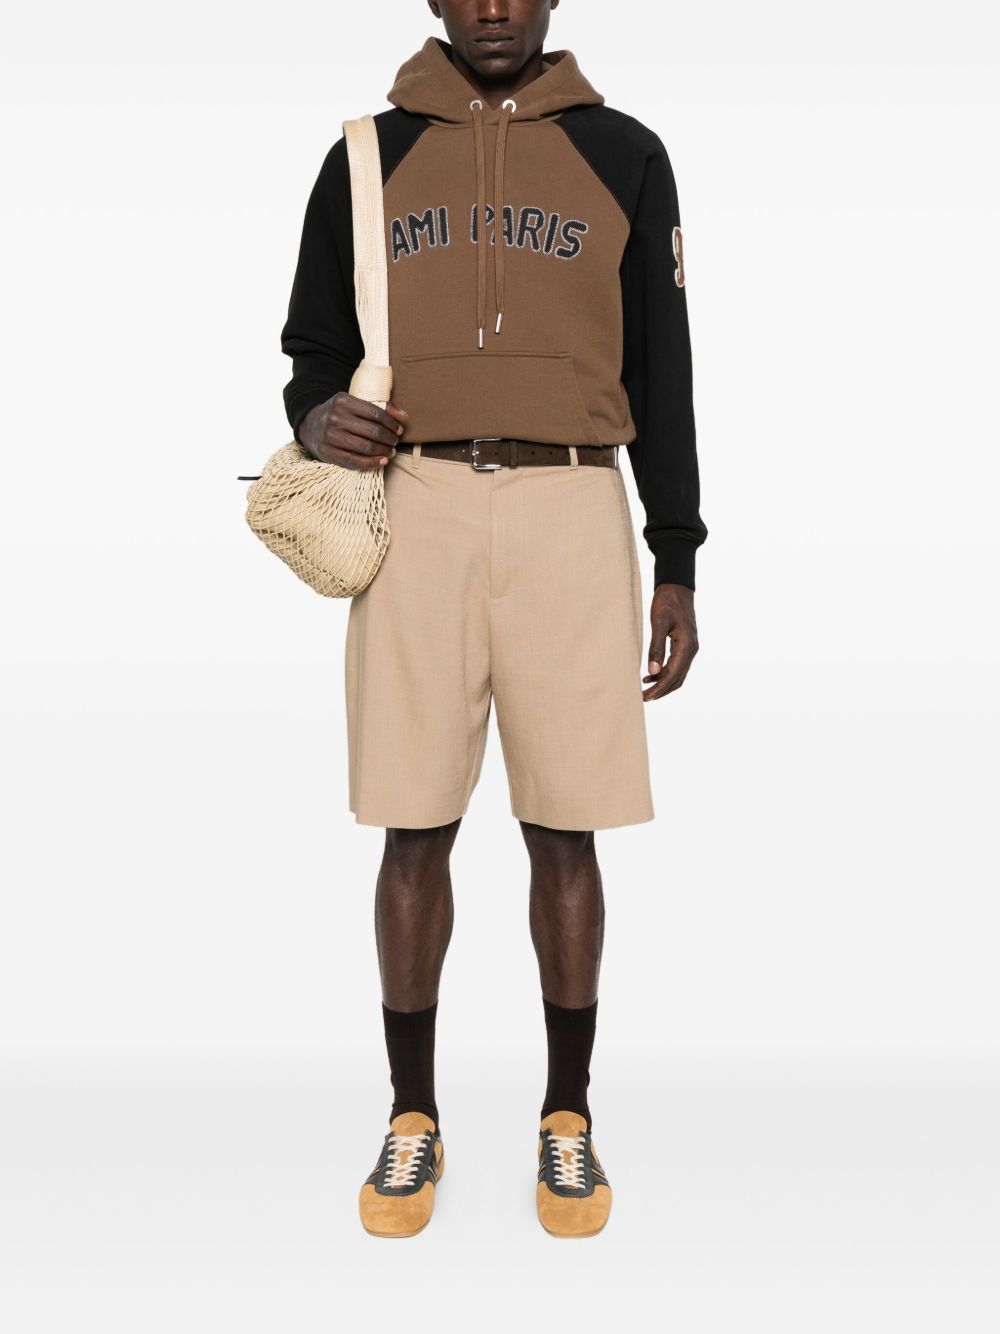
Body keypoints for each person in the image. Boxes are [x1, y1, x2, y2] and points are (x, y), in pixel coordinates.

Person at [279, 0, 706, 1240]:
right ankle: (411, 1113)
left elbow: (664, 362)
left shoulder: (623, 151)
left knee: (566, 825)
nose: (495, 7)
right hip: (412, 501)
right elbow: (312, 345)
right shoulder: (369, 154)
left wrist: (676, 553)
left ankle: (566, 1113)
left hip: (573, 499)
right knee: (412, 821)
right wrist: (315, 413)